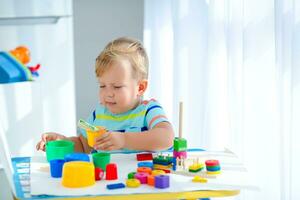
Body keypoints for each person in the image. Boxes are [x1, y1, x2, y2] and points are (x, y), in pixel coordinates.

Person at [36, 37, 174, 153]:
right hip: (106, 183)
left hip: (140, 183)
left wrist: (124, 140)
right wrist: (62, 142)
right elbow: (83, 146)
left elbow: (166, 138)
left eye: (117, 87)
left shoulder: (148, 110)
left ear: (140, 87)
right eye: (102, 86)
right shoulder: (99, 114)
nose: (108, 93)